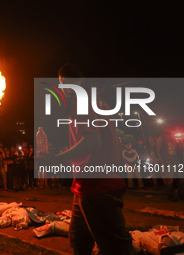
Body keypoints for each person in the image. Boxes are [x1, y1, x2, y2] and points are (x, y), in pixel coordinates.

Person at [49, 63, 135, 255]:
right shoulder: (95, 99)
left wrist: (58, 158)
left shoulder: (82, 100)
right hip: (84, 185)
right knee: (78, 240)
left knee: (116, 248)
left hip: (98, 185)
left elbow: (93, 141)